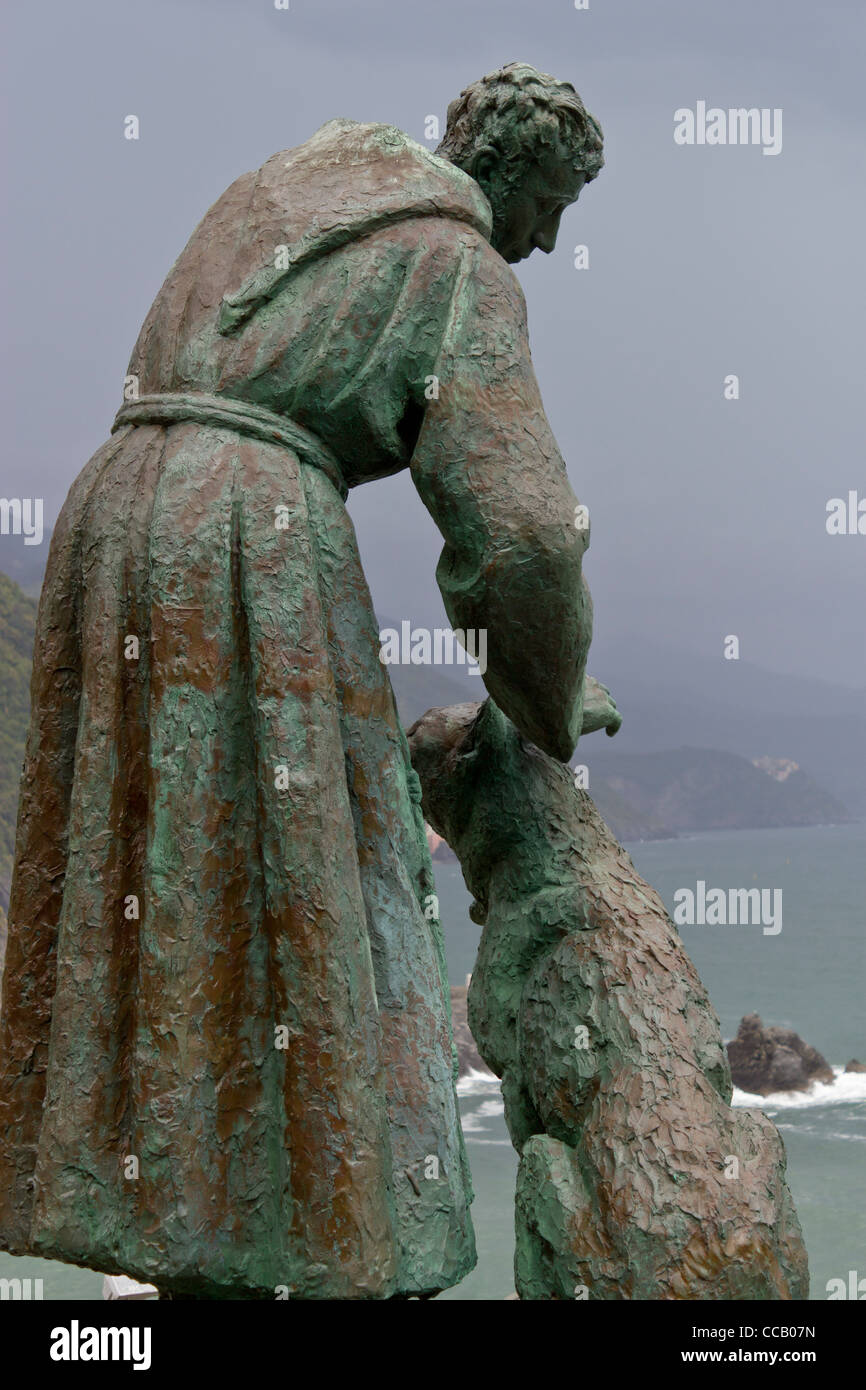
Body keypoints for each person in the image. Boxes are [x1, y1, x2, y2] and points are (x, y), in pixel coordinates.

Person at [0, 62, 616, 1299]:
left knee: (172, 893)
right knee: (307, 883)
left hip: (114, 519)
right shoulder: (456, 264)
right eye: (547, 203)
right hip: (247, 534)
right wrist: (546, 702)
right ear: (497, 171)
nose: (545, 239)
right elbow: (523, 534)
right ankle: (306, 1240)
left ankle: (181, 1221)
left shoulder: (293, 190)